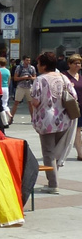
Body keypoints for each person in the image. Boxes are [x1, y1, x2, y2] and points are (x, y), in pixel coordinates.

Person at [29, 50, 77, 194]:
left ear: (43, 65)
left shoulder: (40, 79)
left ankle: (53, 184)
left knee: (48, 153)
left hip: (46, 121)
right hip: (63, 119)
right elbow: (73, 95)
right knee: (56, 152)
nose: (37, 66)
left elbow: (35, 101)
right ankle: (54, 180)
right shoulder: (63, 77)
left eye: (38, 63)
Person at [63, 53, 82, 161]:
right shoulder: (65, 76)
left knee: (78, 130)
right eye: (75, 63)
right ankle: (80, 153)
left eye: (79, 63)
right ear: (69, 64)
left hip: (81, 106)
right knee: (77, 130)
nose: (78, 65)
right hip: (71, 107)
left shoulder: (80, 77)